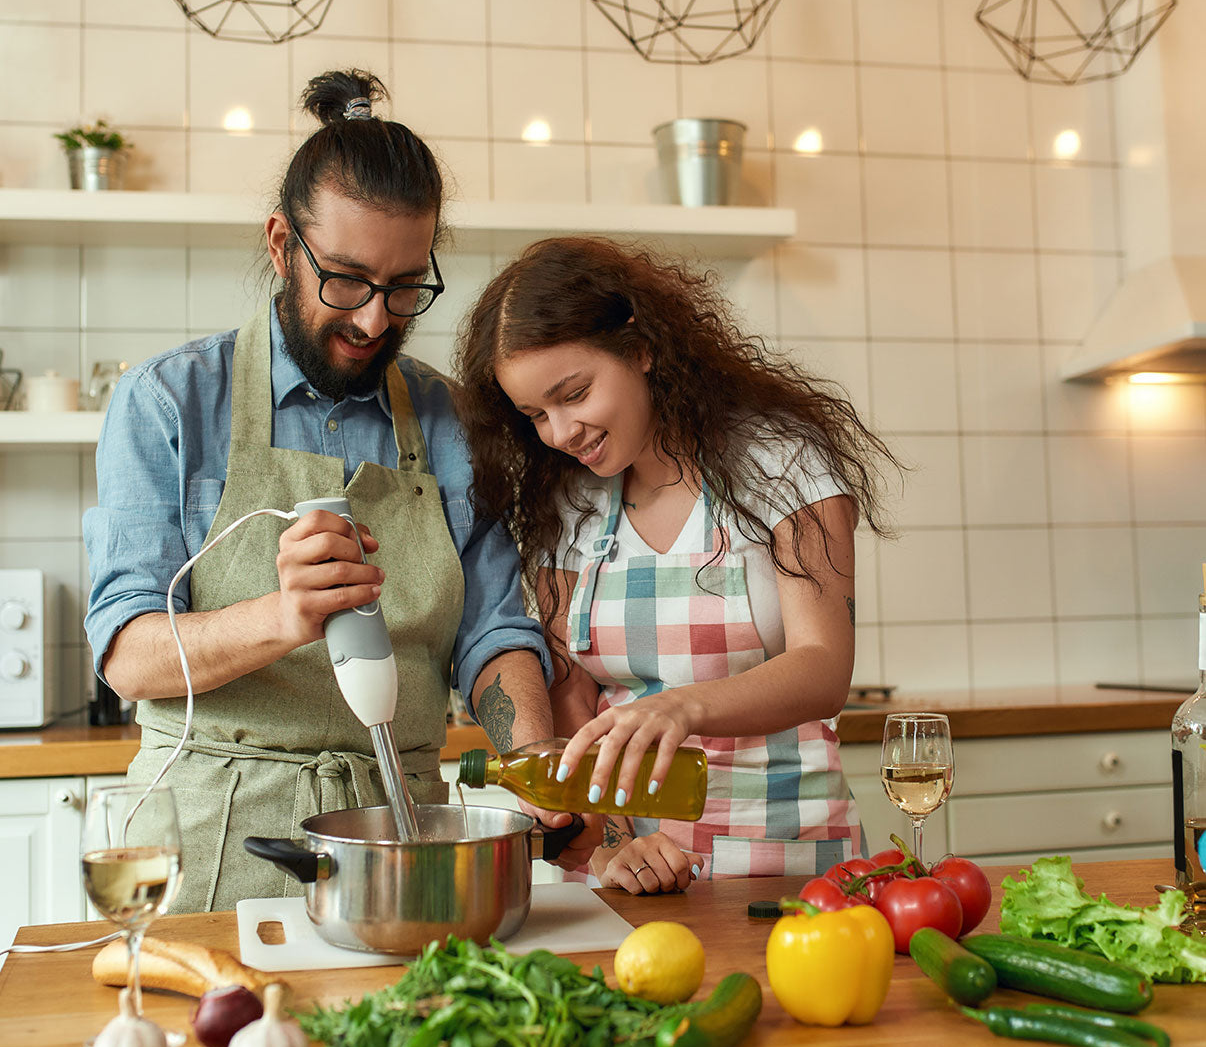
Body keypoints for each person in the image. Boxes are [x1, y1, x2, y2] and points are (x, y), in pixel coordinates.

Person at [83, 71, 596, 912]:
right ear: (283, 244)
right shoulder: (169, 403)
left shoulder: (450, 419)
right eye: (347, 281)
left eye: (403, 289)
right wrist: (282, 616)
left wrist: (533, 762)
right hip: (215, 843)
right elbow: (130, 655)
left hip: (405, 837)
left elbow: (495, 631)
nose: (372, 320)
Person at [454, 236, 899, 894]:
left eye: (573, 394)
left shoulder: (780, 461)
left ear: (639, 348)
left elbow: (824, 666)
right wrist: (613, 844)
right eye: (535, 414)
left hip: (788, 860)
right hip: (640, 871)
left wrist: (681, 707)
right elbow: (570, 692)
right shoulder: (570, 500)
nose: (559, 431)